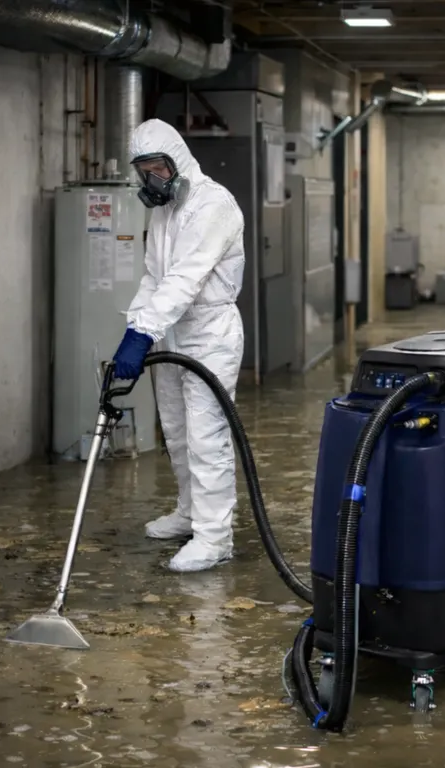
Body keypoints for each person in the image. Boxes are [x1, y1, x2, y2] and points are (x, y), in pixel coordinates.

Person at [111, 118, 245, 574]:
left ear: (178, 162)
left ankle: (215, 537)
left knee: (207, 435)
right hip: (172, 330)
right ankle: (190, 513)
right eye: (144, 170)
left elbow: (187, 279)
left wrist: (143, 332)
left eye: (158, 168)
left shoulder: (213, 205)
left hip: (209, 332)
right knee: (177, 431)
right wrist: (137, 327)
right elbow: (155, 277)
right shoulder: (163, 210)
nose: (152, 179)